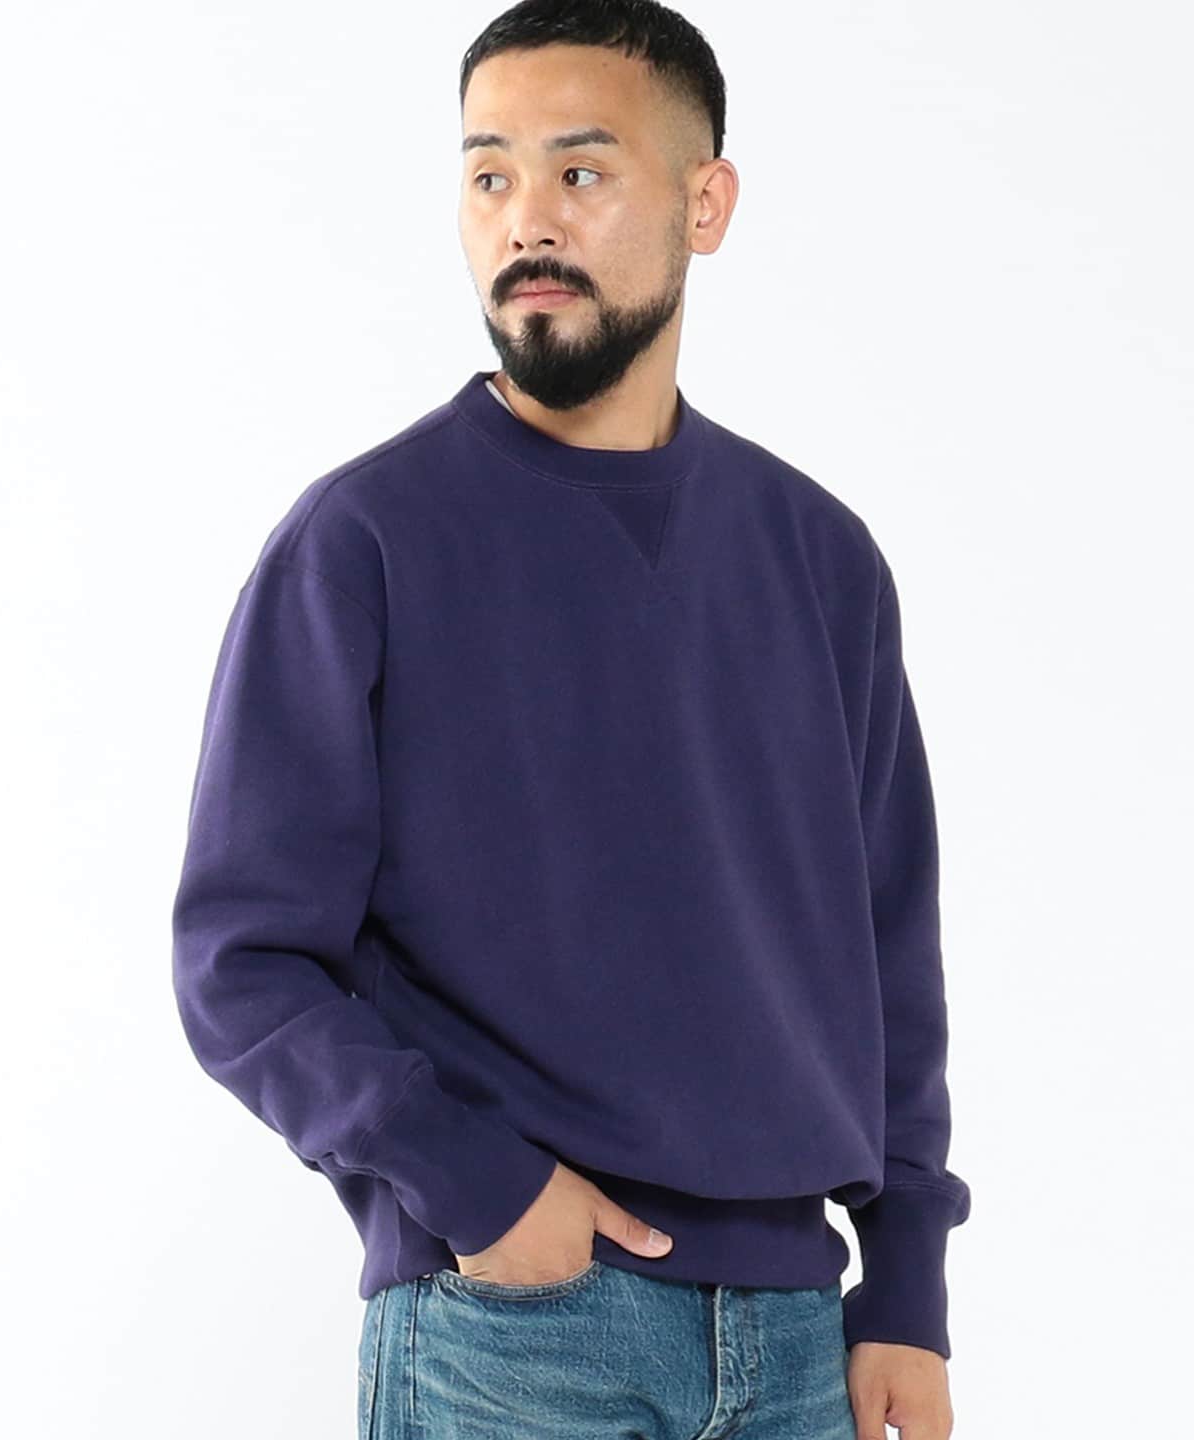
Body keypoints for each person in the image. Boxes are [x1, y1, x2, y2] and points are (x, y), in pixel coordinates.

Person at [170, 2, 971, 1436]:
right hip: (510, 1332)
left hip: (800, 1337)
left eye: (581, 172)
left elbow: (886, 949)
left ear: (704, 205)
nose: (527, 221)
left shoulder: (819, 557)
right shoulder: (363, 543)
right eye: (490, 175)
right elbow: (241, 959)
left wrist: (905, 1279)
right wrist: (471, 1182)